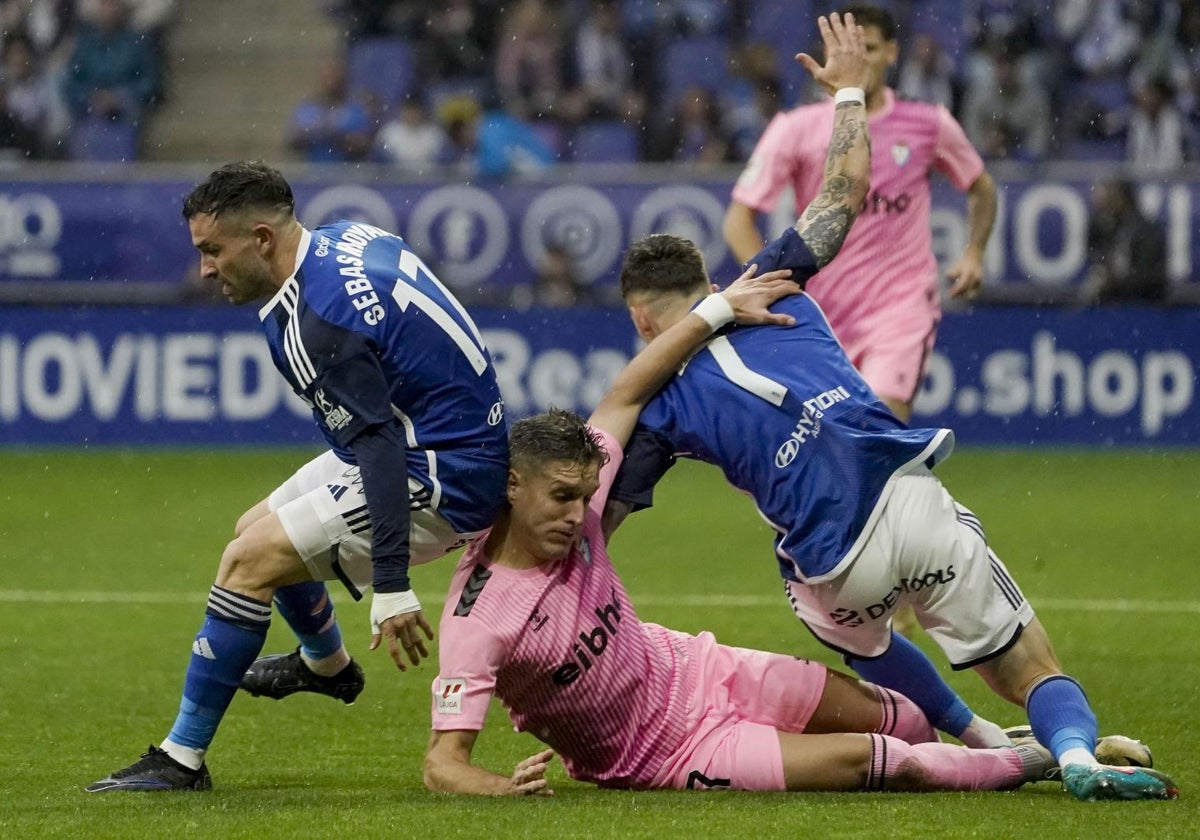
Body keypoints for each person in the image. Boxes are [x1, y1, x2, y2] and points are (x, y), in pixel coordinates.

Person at [605, 22, 1175, 799]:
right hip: (908, 500)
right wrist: (847, 92)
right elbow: (841, 195)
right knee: (1031, 666)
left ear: (642, 322)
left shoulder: (658, 406)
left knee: (836, 621)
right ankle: (1076, 756)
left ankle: (978, 740)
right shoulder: (774, 281)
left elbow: (600, 515)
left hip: (836, 567)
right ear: (706, 283)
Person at [86, 160, 510, 792]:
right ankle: (326, 665)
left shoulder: (323, 321)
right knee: (254, 528)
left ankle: (180, 760)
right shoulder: (342, 239)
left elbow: (382, 449)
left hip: (443, 472)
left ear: (261, 238)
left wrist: (391, 586)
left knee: (247, 562)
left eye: (212, 250)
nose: (204, 269)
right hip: (430, 437)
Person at [424, 408, 1075, 797]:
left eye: (583, 494)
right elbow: (441, 765)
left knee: (902, 718)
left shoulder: (579, 501)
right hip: (670, 754)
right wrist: (500, 787)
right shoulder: (477, 618)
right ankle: (1051, 756)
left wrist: (716, 308)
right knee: (877, 760)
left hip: (700, 668)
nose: (579, 512)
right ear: (512, 485)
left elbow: (626, 392)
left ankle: (1013, 747)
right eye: (562, 496)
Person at [723, 4, 997, 424]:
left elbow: (981, 187)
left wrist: (975, 251)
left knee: (879, 428)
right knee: (826, 447)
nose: (858, 61)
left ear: (891, 52)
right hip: (820, 313)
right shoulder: (796, 127)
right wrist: (765, 285)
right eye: (847, 51)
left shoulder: (927, 122)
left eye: (867, 48)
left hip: (901, 306)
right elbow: (739, 216)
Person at [1078, 178, 1168, 305]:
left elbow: (1148, 276)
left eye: (1110, 196)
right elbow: (1093, 252)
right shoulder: (1106, 227)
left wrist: (1114, 282)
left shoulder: (1145, 230)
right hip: (1115, 303)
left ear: (1121, 197)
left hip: (1143, 305)